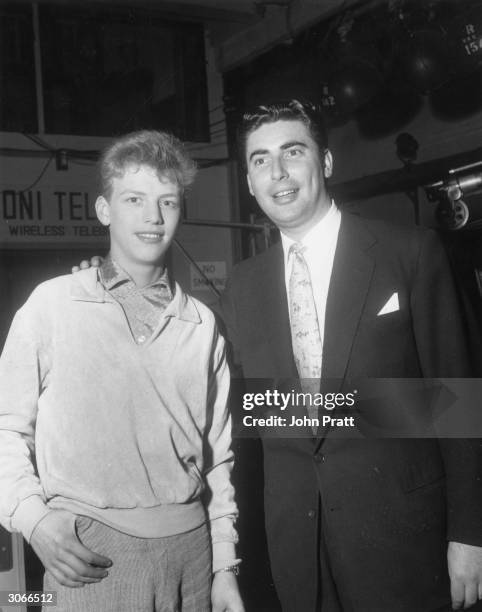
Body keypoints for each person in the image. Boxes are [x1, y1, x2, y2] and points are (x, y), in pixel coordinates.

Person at [215, 100, 482, 611]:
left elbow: (460, 401)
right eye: (260, 160)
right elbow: (251, 411)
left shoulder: (410, 252)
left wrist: (471, 534)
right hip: (298, 552)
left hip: (404, 543)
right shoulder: (244, 285)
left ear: (327, 162)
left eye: (293, 152)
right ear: (250, 183)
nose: (278, 173)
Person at [0, 130, 244, 612]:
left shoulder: (201, 324)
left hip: (192, 556)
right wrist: (31, 518)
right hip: (90, 558)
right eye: (135, 199)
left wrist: (225, 567)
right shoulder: (52, 305)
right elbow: (6, 428)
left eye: (167, 201)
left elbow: (218, 458)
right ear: (104, 210)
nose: (153, 217)